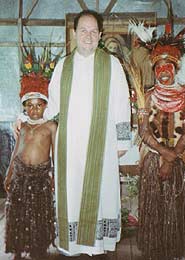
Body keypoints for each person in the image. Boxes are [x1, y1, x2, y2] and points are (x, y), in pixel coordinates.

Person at [14, 9, 131, 257]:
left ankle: (97, 244)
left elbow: (122, 103)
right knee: (73, 193)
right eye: (83, 31)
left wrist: (122, 140)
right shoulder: (63, 66)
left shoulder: (111, 64)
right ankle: (73, 244)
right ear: (75, 34)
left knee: (99, 193)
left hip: (102, 144)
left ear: (100, 35)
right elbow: (51, 107)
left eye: (93, 31)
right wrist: (26, 118)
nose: (88, 36)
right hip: (69, 144)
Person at [129, 21, 185, 260]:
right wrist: (162, 154)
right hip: (152, 160)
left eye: (169, 66)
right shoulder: (146, 97)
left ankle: (176, 247)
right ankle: (154, 246)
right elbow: (143, 131)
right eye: (160, 67)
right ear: (154, 69)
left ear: (176, 69)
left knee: (175, 209)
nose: (164, 72)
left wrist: (172, 156)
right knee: (155, 208)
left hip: (177, 159)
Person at [4, 61, 57, 260]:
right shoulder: (23, 126)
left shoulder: (51, 126)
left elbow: (56, 154)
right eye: (30, 106)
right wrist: (9, 174)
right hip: (20, 175)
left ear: (45, 105)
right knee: (18, 215)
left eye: (39, 105)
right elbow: (16, 151)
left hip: (40, 178)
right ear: (25, 107)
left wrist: (54, 176)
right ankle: (18, 249)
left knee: (38, 216)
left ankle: (39, 248)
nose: (34, 110)